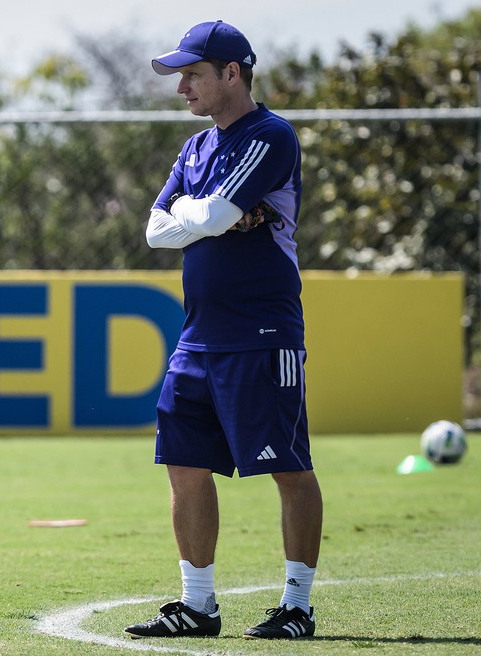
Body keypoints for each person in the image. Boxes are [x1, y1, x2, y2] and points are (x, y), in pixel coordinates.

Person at [123, 20, 324, 641]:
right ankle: (198, 606)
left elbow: (208, 214)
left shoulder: (271, 135)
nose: (183, 87)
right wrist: (201, 217)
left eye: (193, 74)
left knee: (288, 469)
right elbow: (158, 230)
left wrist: (201, 214)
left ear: (231, 73)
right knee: (184, 464)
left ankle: (297, 606)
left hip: (262, 334)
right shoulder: (195, 148)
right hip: (198, 338)